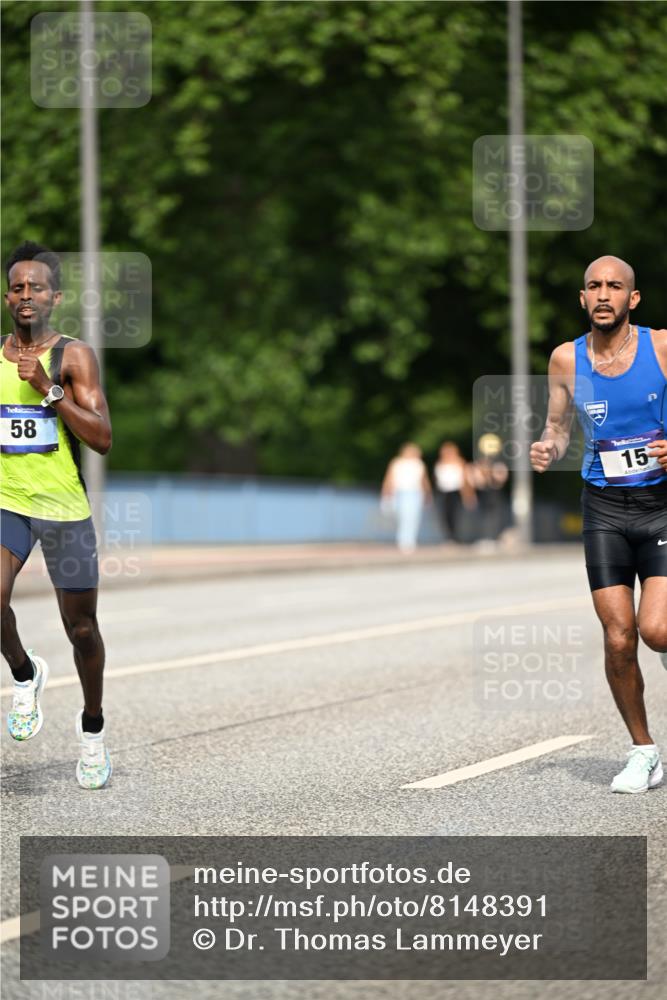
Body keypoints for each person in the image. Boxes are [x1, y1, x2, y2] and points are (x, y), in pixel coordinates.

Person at [530, 254, 667, 793]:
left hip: (662, 503)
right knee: (618, 638)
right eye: (594, 286)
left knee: (656, 630)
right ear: (583, 298)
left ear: (633, 299)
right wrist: (549, 446)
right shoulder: (566, 358)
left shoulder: (660, 347)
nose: (604, 294)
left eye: (615, 286)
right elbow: (558, 425)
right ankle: (644, 751)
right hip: (604, 508)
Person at [1, 241, 113, 789]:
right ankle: (25, 674)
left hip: (64, 509)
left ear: (55, 296)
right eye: (18, 288)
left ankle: (92, 730)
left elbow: (102, 438)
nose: (27, 296)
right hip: (8, 504)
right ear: (7, 297)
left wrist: (47, 390)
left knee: (83, 629)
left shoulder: (73, 357)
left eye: (36, 287)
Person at [381, 443, 432, 553]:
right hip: (399, 492)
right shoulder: (397, 462)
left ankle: (408, 541)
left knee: (412, 517)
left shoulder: (419, 464)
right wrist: (386, 493)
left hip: (415, 493)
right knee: (402, 517)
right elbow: (389, 478)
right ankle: (403, 540)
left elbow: (424, 481)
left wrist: (428, 494)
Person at [433, 441, 477, 543]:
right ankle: (449, 536)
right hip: (443, 492)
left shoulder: (460, 462)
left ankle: (457, 536)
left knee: (456, 515)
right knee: (445, 515)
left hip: (456, 492)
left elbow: (464, 479)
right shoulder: (440, 463)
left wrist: (468, 494)